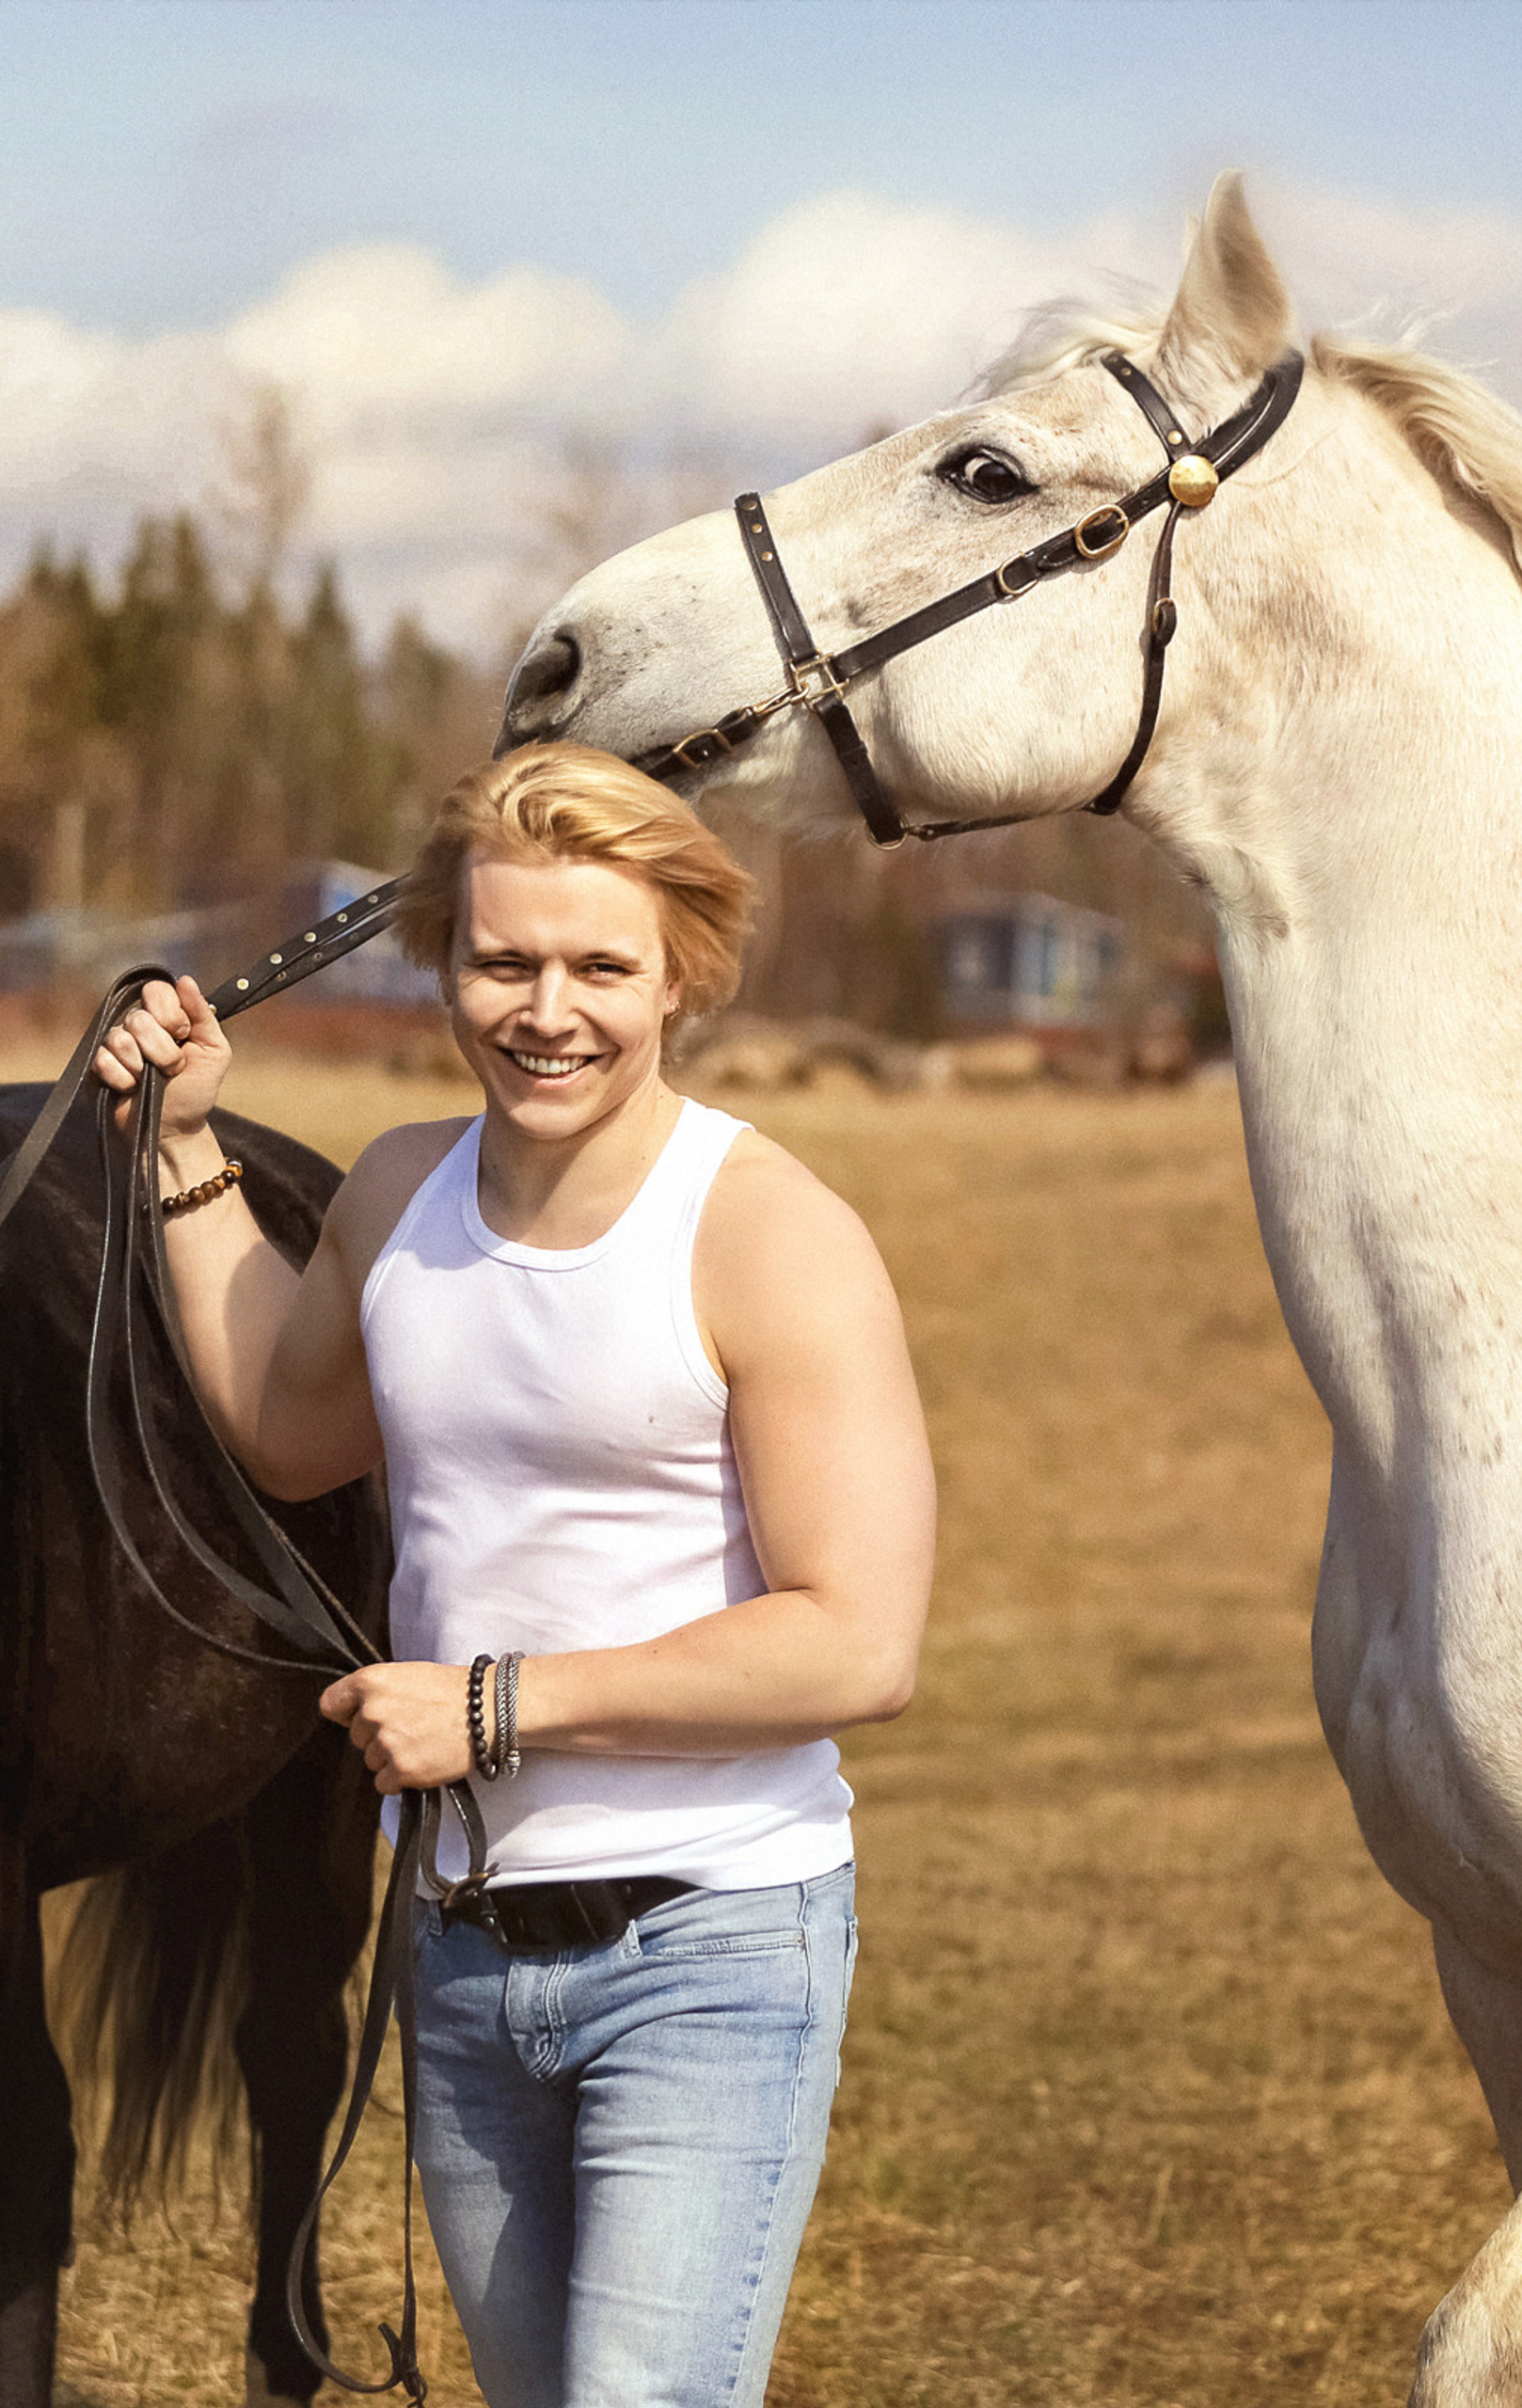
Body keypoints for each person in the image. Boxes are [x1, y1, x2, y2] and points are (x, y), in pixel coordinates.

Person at [93, 741, 935, 2408]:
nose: (548, 1009)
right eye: (505, 960)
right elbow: (286, 1423)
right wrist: (184, 1155)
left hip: (711, 1949)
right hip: (462, 1955)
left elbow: (859, 1645)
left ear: (682, 974)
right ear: (446, 958)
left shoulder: (770, 1233)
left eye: (601, 967)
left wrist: (497, 1708)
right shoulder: (403, 1193)